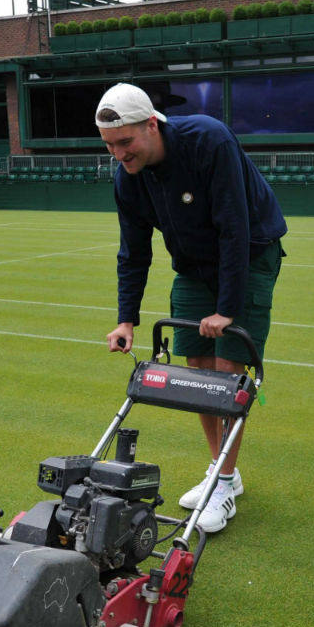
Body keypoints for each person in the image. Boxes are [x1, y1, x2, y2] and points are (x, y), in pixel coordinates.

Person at [97, 83, 286, 534]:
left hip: (250, 254)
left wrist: (226, 308)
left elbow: (234, 228)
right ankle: (224, 473)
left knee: (226, 373)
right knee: (197, 371)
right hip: (194, 267)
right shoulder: (128, 179)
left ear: (152, 124)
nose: (120, 154)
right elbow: (133, 251)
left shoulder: (209, 140)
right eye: (109, 146)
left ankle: (221, 483)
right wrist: (127, 319)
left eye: (126, 142)